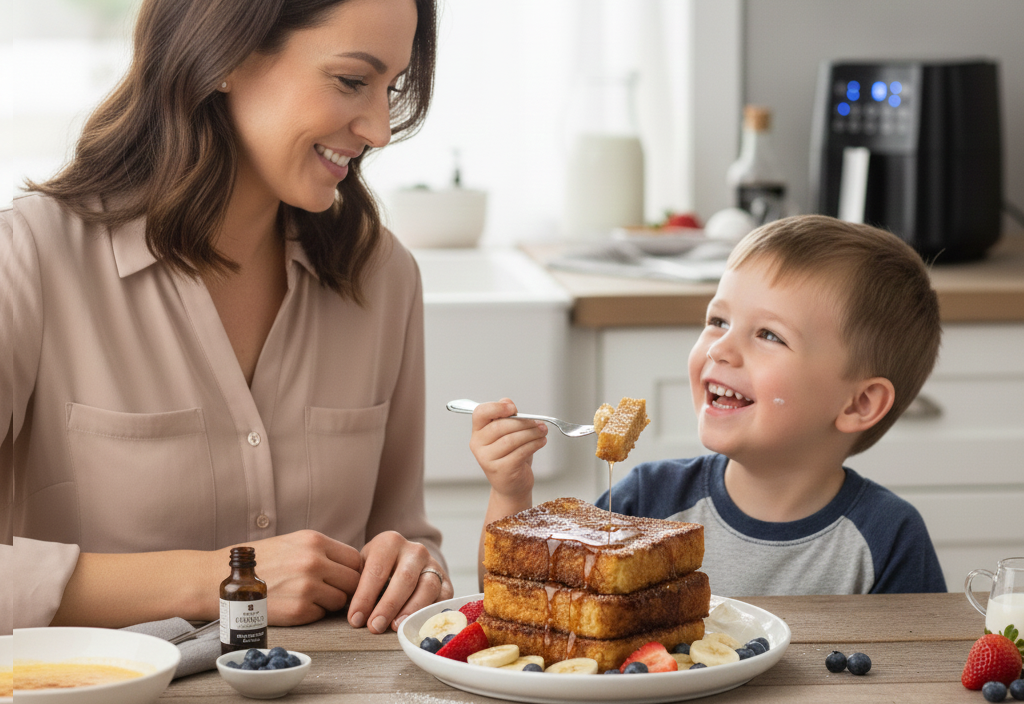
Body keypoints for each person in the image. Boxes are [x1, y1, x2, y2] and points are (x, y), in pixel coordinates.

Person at [0, 0, 453, 636]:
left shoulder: (383, 278)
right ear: (225, 55)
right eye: (353, 81)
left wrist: (412, 569)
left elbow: (405, 536)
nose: (380, 128)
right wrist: (224, 578)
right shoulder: (29, 261)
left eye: (393, 88)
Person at [471, 215, 947, 595]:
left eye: (768, 335)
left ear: (859, 403)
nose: (720, 348)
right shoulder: (648, 501)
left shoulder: (889, 538)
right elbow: (521, 602)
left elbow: (918, 671)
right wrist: (511, 494)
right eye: (718, 320)